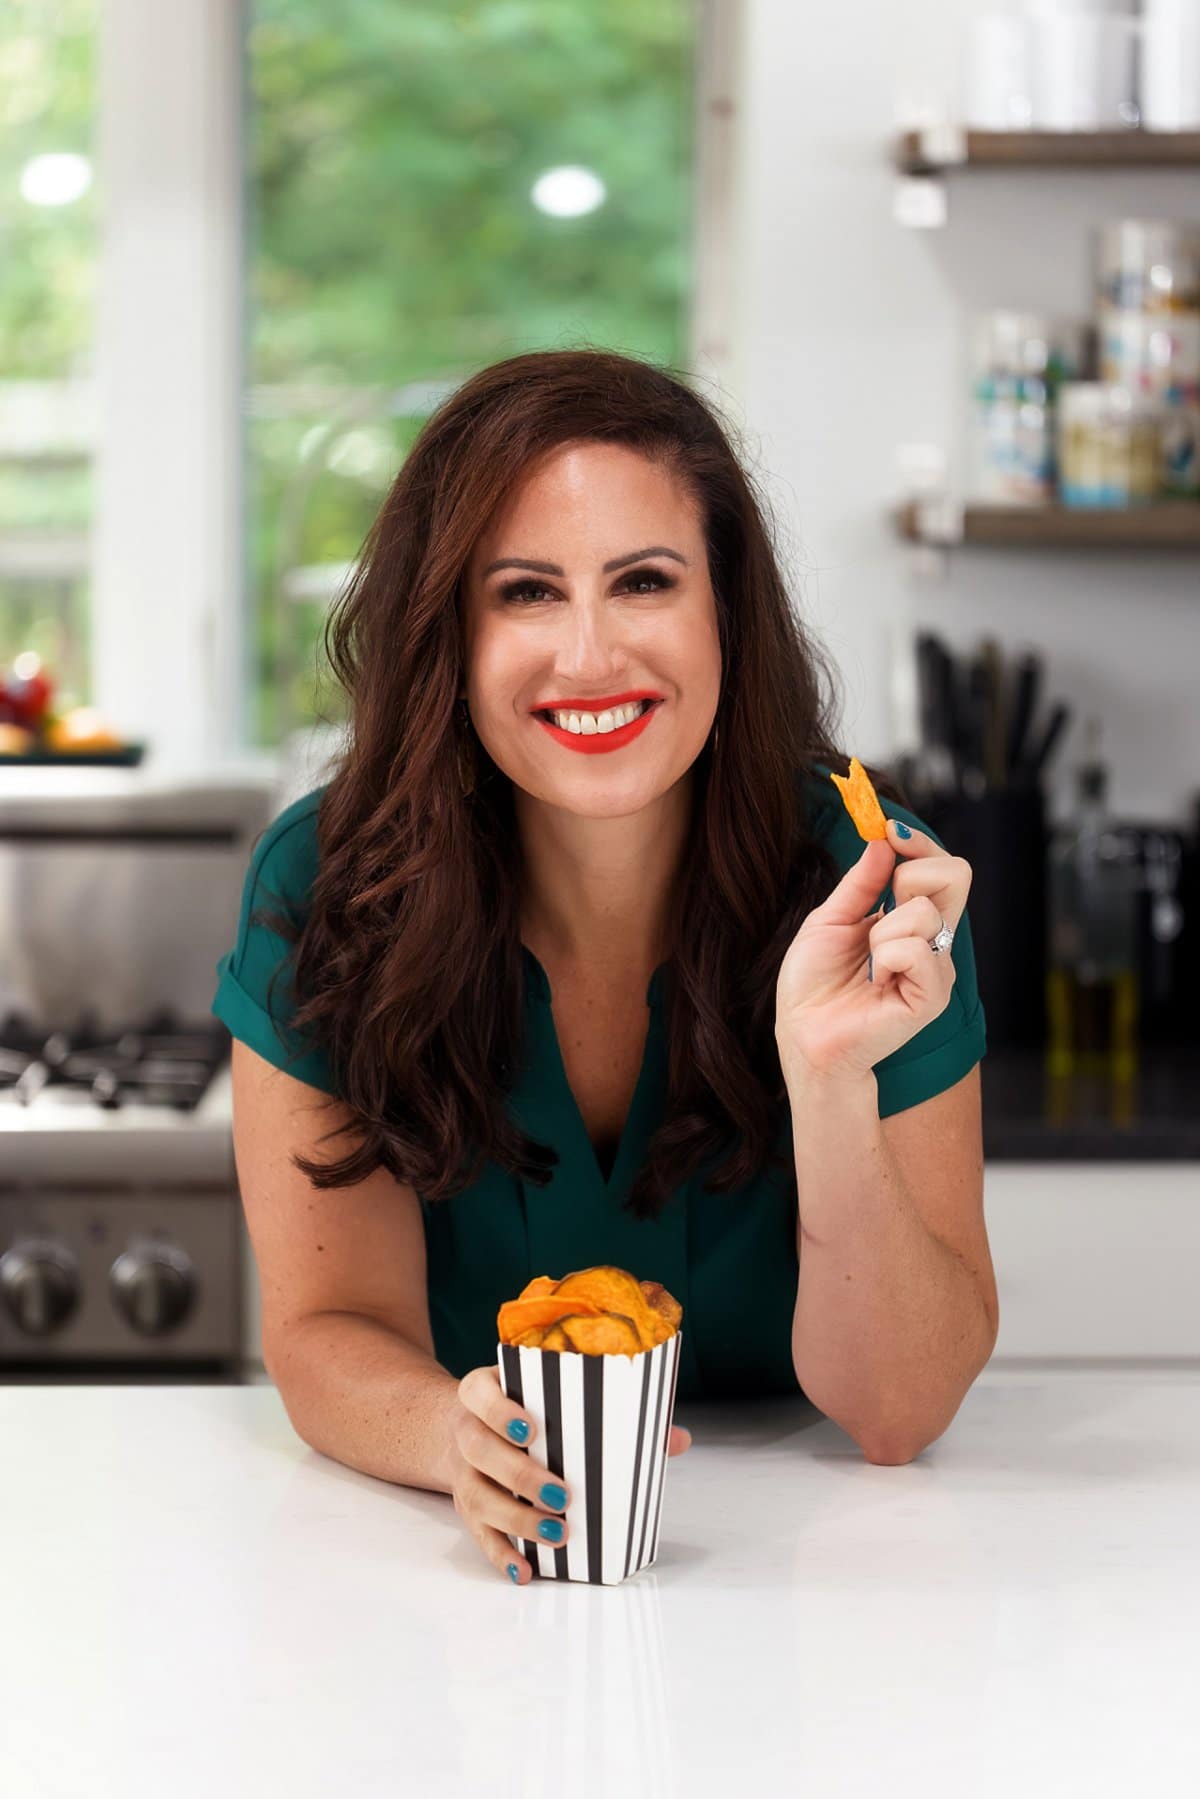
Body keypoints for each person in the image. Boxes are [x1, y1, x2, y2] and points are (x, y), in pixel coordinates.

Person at [213, 348, 997, 1587]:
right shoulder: (323, 886)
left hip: (811, 1576)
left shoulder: (871, 885)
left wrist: (832, 1074)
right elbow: (328, 1326)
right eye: (525, 592)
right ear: (449, 636)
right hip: (455, 1589)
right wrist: (454, 1441)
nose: (589, 657)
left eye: (642, 581)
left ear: (724, 609)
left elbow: (898, 1410)